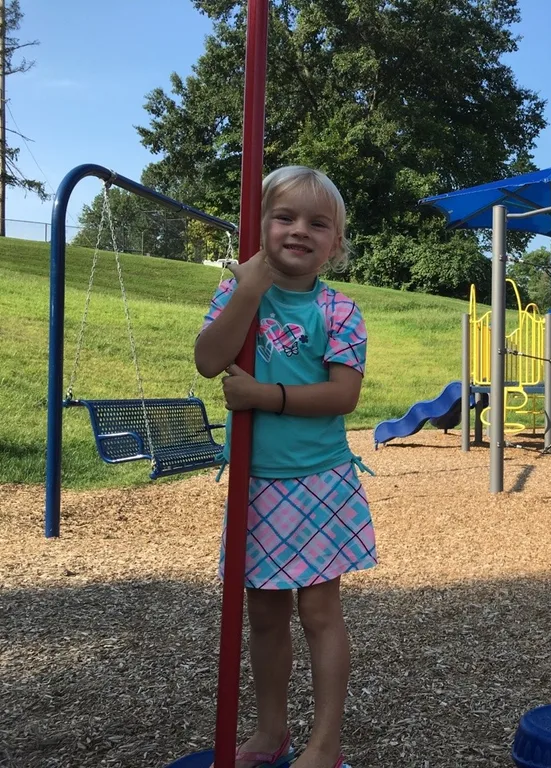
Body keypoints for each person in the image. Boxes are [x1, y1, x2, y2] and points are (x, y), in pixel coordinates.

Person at [195, 166, 373, 768]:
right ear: (260, 225)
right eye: (284, 217)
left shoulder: (339, 310)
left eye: (318, 223)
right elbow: (208, 359)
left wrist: (264, 396)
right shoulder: (237, 294)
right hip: (256, 481)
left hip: (319, 479)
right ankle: (271, 734)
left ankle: (325, 743)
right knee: (264, 616)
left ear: (336, 243)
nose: (300, 230)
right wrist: (247, 289)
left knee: (320, 612)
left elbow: (343, 396)